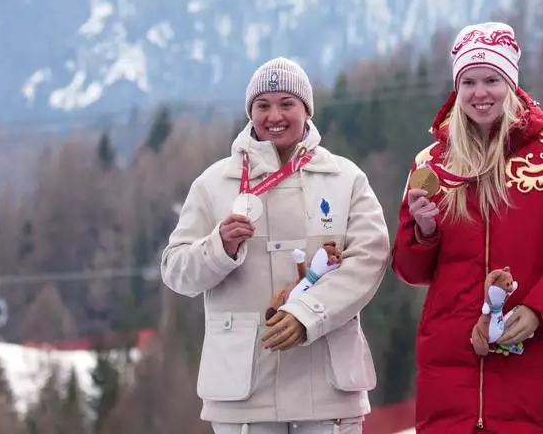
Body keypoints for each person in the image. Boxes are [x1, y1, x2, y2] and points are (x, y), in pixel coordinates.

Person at [392, 22, 543, 434]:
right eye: (469, 81)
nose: (480, 93)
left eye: (492, 79)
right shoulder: (430, 163)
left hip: (532, 367)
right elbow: (410, 270)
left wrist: (539, 310)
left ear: (511, 82)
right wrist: (422, 232)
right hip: (449, 378)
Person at [161, 57, 391, 434]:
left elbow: (370, 260)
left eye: (287, 103)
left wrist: (308, 315)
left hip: (329, 390)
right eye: (262, 106)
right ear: (250, 113)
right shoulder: (214, 183)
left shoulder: (345, 178)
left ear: (307, 110)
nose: (275, 116)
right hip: (245, 394)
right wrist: (219, 247)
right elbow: (175, 272)